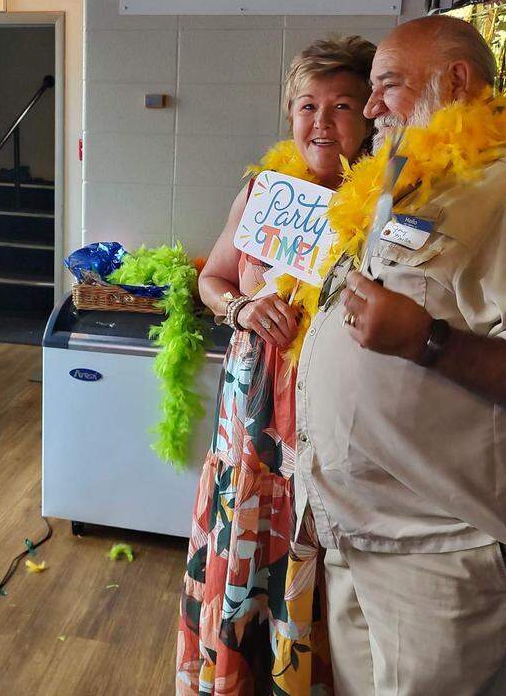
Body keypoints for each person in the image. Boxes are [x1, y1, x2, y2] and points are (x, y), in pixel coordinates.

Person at [295, 16, 506, 695]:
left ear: (456, 80)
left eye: (387, 86)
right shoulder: (405, 182)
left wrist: (426, 341)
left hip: (447, 554)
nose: (371, 105)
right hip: (360, 535)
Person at [177, 37, 378, 694]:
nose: (321, 121)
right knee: (245, 561)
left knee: (314, 571)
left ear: (371, 113)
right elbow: (211, 278)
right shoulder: (265, 191)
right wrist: (239, 308)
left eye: (342, 105)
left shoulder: (385, 206)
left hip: (325, 426)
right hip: (250, 421)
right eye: (306, 104)